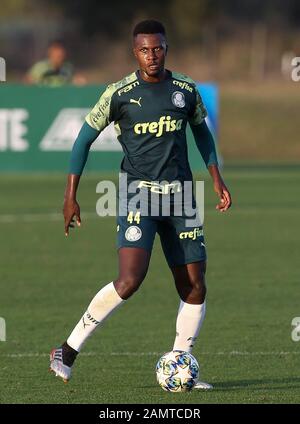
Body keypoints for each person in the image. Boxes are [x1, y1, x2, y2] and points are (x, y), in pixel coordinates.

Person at [50, 20, 232, 389]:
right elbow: (83, 140)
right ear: (135, 52)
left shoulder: (186, 90)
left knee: (195, 286)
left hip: (182, 195)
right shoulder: (119, 94)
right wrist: (71, 196)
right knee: (130, 280)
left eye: (159, 48)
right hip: (138, 193)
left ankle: (182, 363)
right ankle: (66, 351)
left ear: (167, 47)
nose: (153, 55)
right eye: (145, 50)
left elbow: (202, 134)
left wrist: (216, 178)